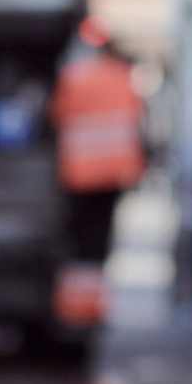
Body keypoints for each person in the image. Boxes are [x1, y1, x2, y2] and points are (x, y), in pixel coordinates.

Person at [48, 26, 150, 328]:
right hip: (115, 174)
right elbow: (139, 123)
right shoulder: (125, 76)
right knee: (99, 243)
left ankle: (76, 309)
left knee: (79, 243)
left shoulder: (73, 76)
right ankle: (93, 309)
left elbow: (55, 116)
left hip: (80, 176)